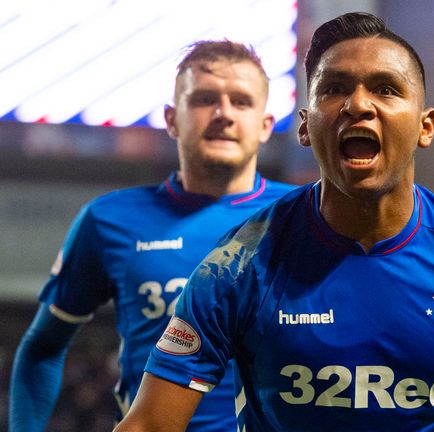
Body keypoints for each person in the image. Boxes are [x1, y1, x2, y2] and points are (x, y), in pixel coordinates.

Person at [113, 12, 434, 432]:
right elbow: (147, 426)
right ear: (306, 127)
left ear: (425, 127)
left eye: (385, 89)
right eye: (334, 89)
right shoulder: (237, 265)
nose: (358, 105)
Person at [9, 40, 296, 431]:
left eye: (242, 102)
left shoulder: (301, 215)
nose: (223, 114)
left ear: (265, 125)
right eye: (204, 99)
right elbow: (42, 348)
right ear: (172, 118)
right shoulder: (110, 219)